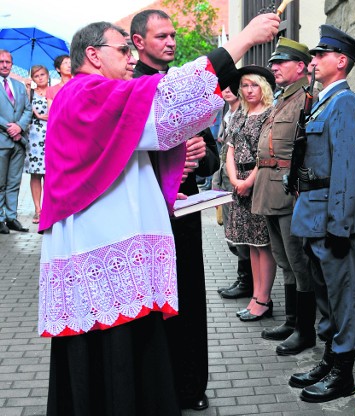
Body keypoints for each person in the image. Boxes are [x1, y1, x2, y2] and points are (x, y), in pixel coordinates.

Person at [38, 15, 279, 416]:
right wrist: (243, 41)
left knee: (122, 344)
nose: (131, 60)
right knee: (115, 347)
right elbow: (165, 102)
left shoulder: (88, 92)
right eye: (124, 50)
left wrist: (175, 163)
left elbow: (131, 149)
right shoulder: (86, 92)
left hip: (107, 238)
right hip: (102, 242)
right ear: (93, 55)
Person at [130, 9, 219, 411]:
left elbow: (214, 155)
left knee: (188, 296)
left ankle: (189, 384)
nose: (170, 42)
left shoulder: (183, 87)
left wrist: (200, 154)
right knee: (150, 301)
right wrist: (165, 164)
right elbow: (123, 157)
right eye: (160, 35)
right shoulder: (127, 90)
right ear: (138, 42)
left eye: (172, 35)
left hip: (185, 212)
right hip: (146, 214)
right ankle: (154, 384)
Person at [287, 25, 355, 403]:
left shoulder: (345, 103)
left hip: (332, 219)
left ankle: (344, 372)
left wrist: (338, 223)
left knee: (341, 297)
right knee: (325, 298)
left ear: (341, 61)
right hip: (313, 215)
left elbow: (347, 169)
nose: (313, 60)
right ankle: (328, 359)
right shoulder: (322, 101)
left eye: (320, 55)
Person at [253, 37, 316, 356]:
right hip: (269, 187)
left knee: (298, 260)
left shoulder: (306, 98)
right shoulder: (283, 99)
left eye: (281, 62)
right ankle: (292, 321)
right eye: (273, 62)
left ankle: (306, 330)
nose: (273, 67)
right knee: (283, 259)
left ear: (301, 66)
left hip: (289, 191)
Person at [225, 65, 277, 322]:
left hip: (260, 182)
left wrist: (248, 182)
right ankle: (255, 297)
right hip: (239, 183)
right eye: (244, 85)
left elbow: (267, 154)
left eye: (253, 85)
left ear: (263, 87)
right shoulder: (239, 114)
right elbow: (230, 150)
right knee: (250, 245)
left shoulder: (270, 114)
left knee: (263, 245)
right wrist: (235, 179)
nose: (248, 90)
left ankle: (264, 299)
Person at [216, 86, 254, 300]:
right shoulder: (228, 112)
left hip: (241, 179)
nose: (227, 90)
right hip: (226, 178)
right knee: (232, 233)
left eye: (233, 87)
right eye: (225, 86)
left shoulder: (247, 112)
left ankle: (246, 281)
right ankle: (245, 279)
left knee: (242, 235)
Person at [0, 49, 32, 234]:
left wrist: (19, 127)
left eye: (7, 62)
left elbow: (28, 109)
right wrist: (9, 127)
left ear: (12, 64)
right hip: (2, 140)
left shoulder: (19, 86)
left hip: (18, 142)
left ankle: (12, 217)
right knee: (0, 183)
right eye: (1, 61)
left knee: (14, 182)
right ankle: (0, 218)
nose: (4, 65)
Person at [25, 65, 49, 224]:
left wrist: (43, 116)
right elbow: (25, 110)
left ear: (47, 75)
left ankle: (48, 208)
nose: (40, 78)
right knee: (36, 174)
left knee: (50, 173)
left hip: (51, 135)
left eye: (42, 74)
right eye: (36, 76)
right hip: (34, 137)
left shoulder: (54, 91)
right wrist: (27, 90)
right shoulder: (31, 93)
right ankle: (37, 210)